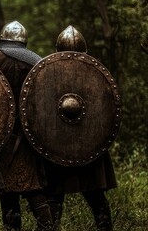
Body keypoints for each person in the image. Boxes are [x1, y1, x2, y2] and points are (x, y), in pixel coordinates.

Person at [44, 25, 116, 231]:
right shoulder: (93, 71)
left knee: (56, 197)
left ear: (57, 49)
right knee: (94, 196)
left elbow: (106, 110)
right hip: (83, 143)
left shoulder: (51, 72)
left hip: (67, 143)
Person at [0, 20, 53, 231]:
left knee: (9, 190)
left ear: (2, 39)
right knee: (32, 186)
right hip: (30, 135)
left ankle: (14, 228)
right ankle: (46, 226)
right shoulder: (37, 62)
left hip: (1, 135)